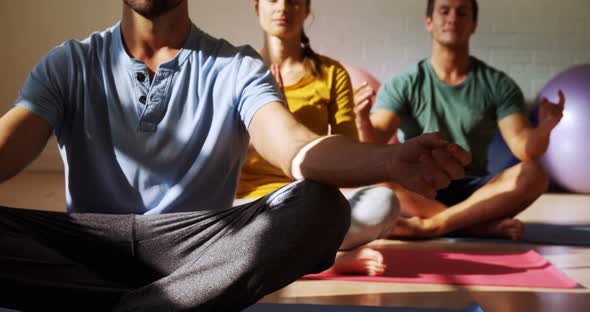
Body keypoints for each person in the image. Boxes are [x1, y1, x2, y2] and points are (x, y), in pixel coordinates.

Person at [0, 0, 470, 311]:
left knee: (321, 207)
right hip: (88, 245)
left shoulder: (238, 67)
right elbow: (9, 144)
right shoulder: (68, 63)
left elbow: (295, 147)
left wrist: (388, 162)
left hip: (197, 251)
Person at [354, 0, 565, 240]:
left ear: (473, 24)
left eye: (462, 12)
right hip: (418, 189)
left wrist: (545, 129)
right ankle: (470, 225)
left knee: (534, 175)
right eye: (444, 11)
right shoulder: (403, 83)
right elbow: (375, 141)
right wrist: (361, 119)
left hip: (474, 193)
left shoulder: (498, 84)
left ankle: (433, 225)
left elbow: (524, 148)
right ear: (429, 22)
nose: (453, 18)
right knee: (375, 184)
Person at [236, 0, 399, 276]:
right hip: (246, 206)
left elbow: (349, 159)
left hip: (306, 205)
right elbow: (213, 153)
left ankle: (290, 255)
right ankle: (329, 259)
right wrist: (271, 123)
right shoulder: (235, 67)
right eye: (273, 0)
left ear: (307, 9)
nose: (283, 8)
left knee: (384, 201)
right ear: (256, 7)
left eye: (293, 1)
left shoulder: (332, 74)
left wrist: (291, 125)